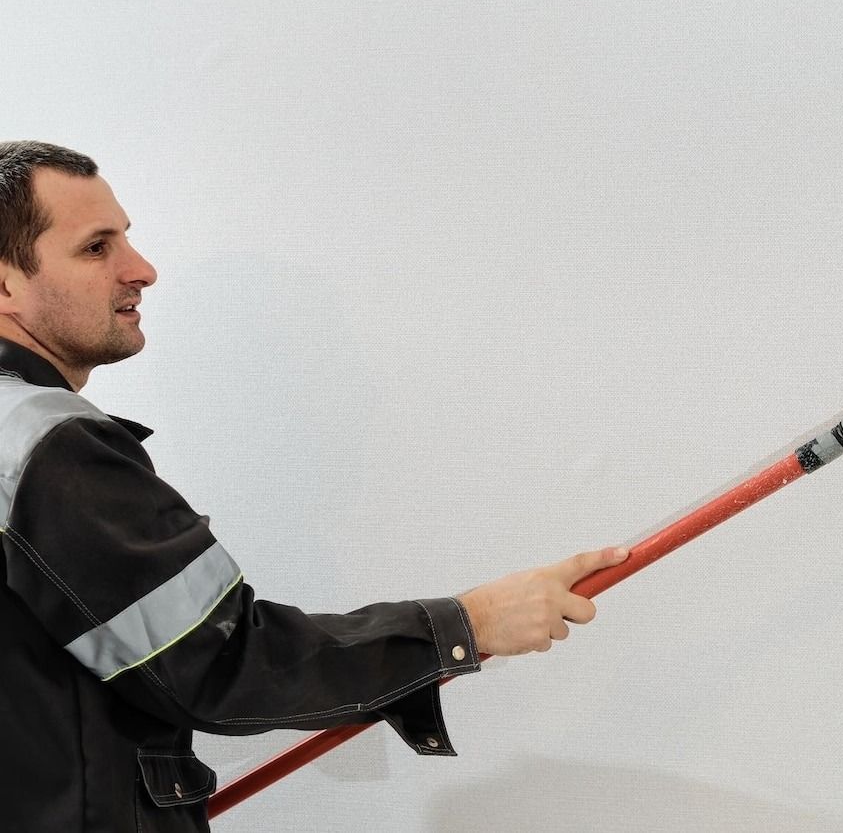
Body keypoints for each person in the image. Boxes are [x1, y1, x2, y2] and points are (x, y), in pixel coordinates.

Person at [0, 140, 628, 832]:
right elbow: (220, 663)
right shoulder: (42, 446)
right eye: (96, 248)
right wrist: (469, 624)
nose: (141, 270)